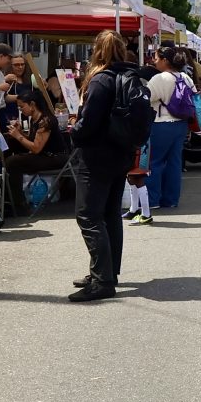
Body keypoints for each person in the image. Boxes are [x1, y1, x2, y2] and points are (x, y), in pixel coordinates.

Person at [69, 30, 137, 302]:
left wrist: (74, 130)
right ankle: (107, 272)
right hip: (121, 153)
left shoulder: (100, 80)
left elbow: (89, 123)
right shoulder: (126, 76)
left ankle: (102, 279)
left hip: (97, 155)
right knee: (109, 215)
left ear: (96, 51)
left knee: (88, 216)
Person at [145, 46, 196, 209]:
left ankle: (152, 200)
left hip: (160, 124)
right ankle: (171, 200)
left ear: (165, 60)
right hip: (181, 124)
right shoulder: (186, 77)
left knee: (154, 162)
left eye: (157, 58)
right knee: (174, 162)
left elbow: (148, 98)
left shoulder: (158, 79)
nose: (155, 61)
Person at [4, 90, 68, 216]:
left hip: (55, 158)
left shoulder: (45, 120)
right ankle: (9, 199)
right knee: (11, 150)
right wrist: (20, 133)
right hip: (44, 155)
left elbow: (36, 148)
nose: (21, 110)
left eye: (22, 106)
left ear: (32, 105)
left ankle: (19, 204)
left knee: (13, 162)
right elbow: (33, 141)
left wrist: (18, 136)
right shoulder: (35, 119)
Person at [4, 53, 32, 120]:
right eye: (16, 65)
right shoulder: (6, 79)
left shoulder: (30, 79)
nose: (20, 67)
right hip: (12, 116)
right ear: (10, 66)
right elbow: (3, 97)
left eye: (22, 64)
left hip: (28, 116)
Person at [0, 44, 16, 131]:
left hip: (1, 112)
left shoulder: (0, 72)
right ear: (0, 56)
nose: (9, 63)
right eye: (8, 59)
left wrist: (20, 97)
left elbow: (4, 97)